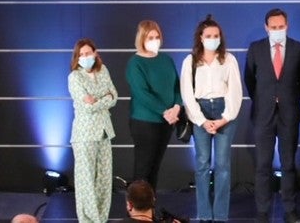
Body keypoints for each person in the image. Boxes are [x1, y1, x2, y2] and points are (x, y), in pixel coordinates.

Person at [245, 8, 300, 223]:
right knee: (263, 165)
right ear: (266, 27)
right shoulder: (255, 49)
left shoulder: (298, 48)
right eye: (273, 27)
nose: (277, 30)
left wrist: (287, 99)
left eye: (280, 27)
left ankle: (290, 209)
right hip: (263, 115)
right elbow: (250, 81)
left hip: (289, 114)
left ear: (287, 25)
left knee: (288, 164)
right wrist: (266, 99)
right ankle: (262, 212)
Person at [181, 15, 243, 223]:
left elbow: (235, 92)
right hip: (200, 111)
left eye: (216, 35)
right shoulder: (190, 61)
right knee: (202, 164)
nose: (213, 39)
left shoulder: (229, 59)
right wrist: (201, 120)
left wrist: (224, 119)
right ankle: (205, 214)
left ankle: (220, 216)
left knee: (223, 165)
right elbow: (187, 95)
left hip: (225, 111)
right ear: (200, 37)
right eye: (208, 35)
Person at [126, 20, 181, 191]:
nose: (155, 40)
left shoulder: (166, 60)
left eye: (157, 36)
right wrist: (164, 111)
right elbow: (142, 93)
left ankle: (150, 208)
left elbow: (177, 87)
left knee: (154, 169)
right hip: (144, 123)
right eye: (150, 37)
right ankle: (137, 212)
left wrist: (177, 106)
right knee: (143, 170)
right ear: (142, 38)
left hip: (166, 123)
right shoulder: (135, 63)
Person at [69, 38, 118, 223]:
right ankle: (89, 220)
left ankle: (102, 218)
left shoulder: (103, 70)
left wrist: (98, 99)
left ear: (95, 53)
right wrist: (104, 97)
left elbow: (114, 95)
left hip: (104, 131)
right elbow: (86, 106)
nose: (85, 57)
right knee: (87, 182)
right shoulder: (74, 77)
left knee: (104, 180)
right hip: (84, 134)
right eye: (81, 55)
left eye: (88, 53)